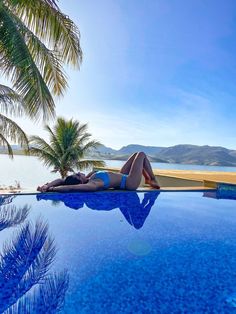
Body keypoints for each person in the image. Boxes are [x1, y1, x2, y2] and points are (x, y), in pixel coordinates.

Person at [37, 152, 160, 193]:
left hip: (122, 176)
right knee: (141, 154)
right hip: (129, 182)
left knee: (135, 155)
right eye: (78, 175)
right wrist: (53, 190)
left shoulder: (90, 177)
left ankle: (150, 179)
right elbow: (71, 187)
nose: (80, 172)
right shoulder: (94, 183)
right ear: (81, 181)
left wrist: (47, 186)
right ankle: (151, 179)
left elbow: (62, 181)